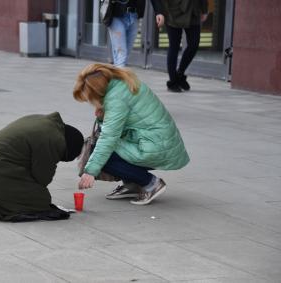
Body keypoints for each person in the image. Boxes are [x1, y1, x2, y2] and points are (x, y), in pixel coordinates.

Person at [73, 63, 189, 205]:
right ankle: (132, 185)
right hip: (156, 140)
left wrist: (90, 171)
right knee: (104, 150)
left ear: (98, 92)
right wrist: (103, 116)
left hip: (155, 146)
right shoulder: (121, 83)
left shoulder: (116, 99)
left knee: (101, 155)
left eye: (91, 98)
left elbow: (109, 137)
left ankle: (151, 184)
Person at [0, 112, 84, 222]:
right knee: (40, 200)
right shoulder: (54, 140)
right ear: (65, 148)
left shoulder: (41, 121)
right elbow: (42, 178)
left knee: (26, 189)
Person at [162, 0, 209, 92]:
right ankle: (173, 81)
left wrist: (204, 9)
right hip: (173, 11)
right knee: (174, 46)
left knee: (194, 44)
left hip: (193, 11)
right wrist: (161, 12)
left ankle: (179, 74)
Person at [107, 0, 164, 67]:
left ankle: (116, 74)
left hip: (134, 15)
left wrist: (159, 12)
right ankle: (120, 76)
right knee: (121, 54)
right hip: (116, 15)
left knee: (125, 55)